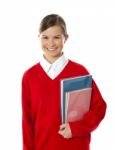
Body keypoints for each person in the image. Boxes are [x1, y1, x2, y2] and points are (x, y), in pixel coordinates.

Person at [21, 14, 107, 150]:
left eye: (56, 37)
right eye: (45, 37)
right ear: (39, 38)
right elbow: (27, 121)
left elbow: (99, 108)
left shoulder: (80, 72)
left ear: (65, 38)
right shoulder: (29, 76)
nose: (50, 43)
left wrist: (76, 128)